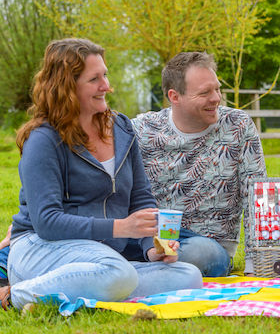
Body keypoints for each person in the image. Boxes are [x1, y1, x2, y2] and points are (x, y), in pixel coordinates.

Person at [0, 38, 202, 311]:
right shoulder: (44, 140)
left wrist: (150, 248)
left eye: (105, 75)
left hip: (103, 255)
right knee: (119, 273)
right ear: (67, 87)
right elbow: (47, 222)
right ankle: (16, 295)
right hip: (41, 248)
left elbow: (141, 199)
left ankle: (77, 290)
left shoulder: (121, 128)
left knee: (189, 276)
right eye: (94, 79)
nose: (106, 85)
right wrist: (120, 228)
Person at [131, 51, 266, 276]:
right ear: (175, 97)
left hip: (207, 244)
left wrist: (253, 264)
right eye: (205, 93)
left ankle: (132, 270)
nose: (216, 98)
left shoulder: (237, 126)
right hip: (149, 240)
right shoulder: (143, 129)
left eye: (217, 89)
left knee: (203, 254)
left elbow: (256, 197)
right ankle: (146, 266)